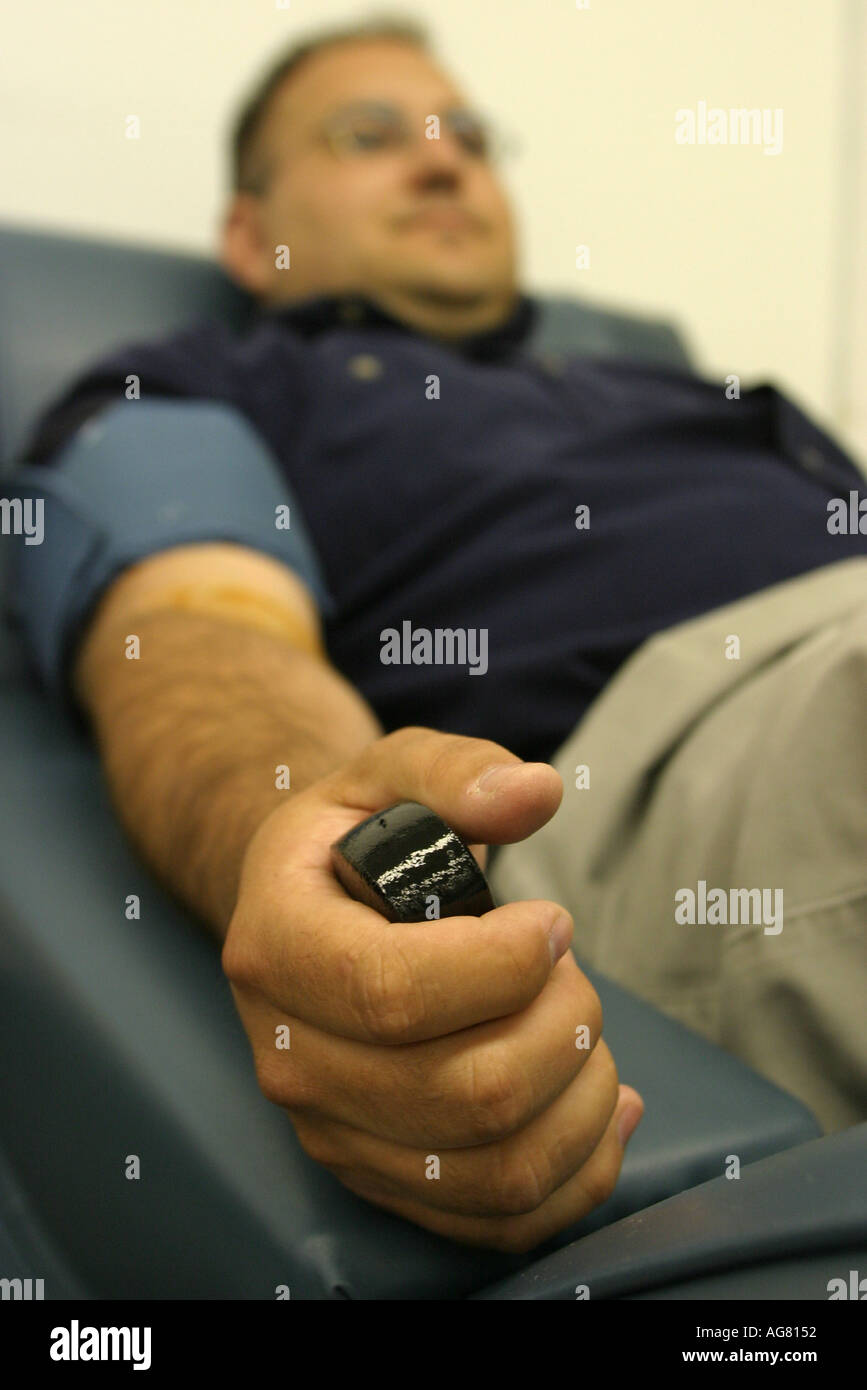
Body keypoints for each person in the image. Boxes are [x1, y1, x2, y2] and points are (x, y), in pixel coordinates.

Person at [7, 17, 867, 1253]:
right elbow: (199, 637)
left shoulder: (692, 392)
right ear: (251, 233)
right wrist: (320, 835)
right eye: (370, 134)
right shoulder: (202, 384)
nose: (442, 161)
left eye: (466, 135)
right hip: (664, 771)